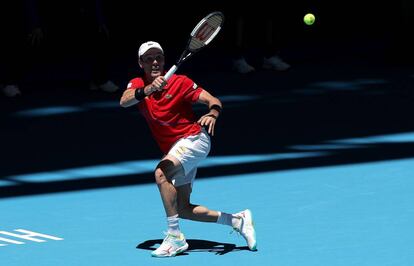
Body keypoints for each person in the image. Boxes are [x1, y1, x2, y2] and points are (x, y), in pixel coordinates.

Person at [120, 41, 257, 257]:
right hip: (175, 148)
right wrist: (148, 89)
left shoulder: (180, 82)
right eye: (149, 58)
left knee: (161, 174)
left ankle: (174, 237)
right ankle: (237, 220)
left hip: (194, 139)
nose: (155, 62)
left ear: (164, 61)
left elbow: (213, 100)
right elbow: (124, 101)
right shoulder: (136, 83)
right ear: (140, 63)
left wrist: (212, 114)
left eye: (159, 57)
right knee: (182, 208)